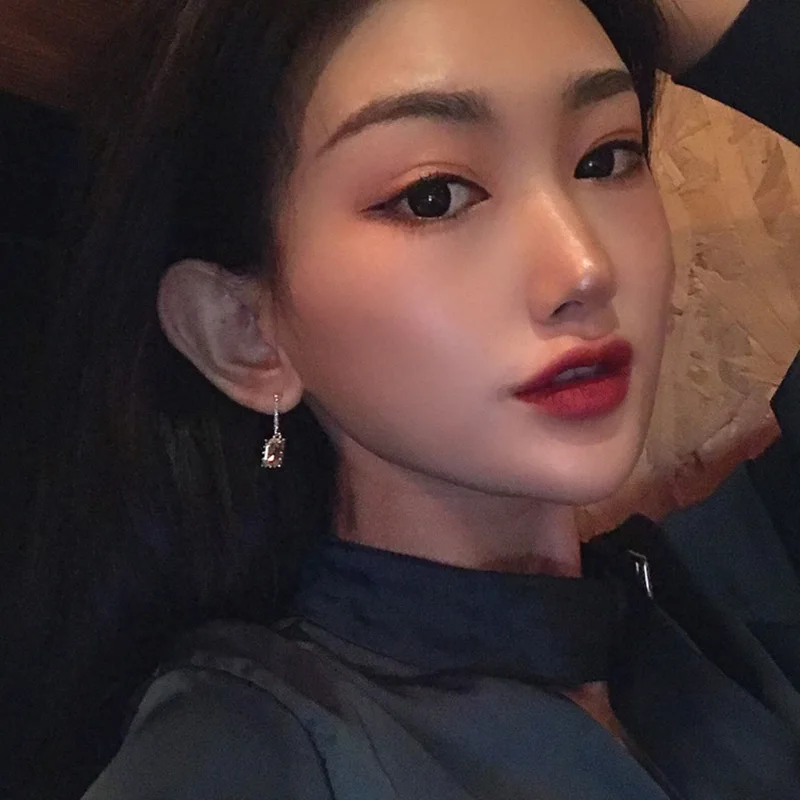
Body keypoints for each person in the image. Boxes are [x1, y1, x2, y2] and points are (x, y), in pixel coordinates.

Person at [9, 0, 799, 797]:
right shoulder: (239, 756)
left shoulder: (727, 607)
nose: (584, 267)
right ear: (243, 333)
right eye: (434, 197)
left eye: (605, 159)